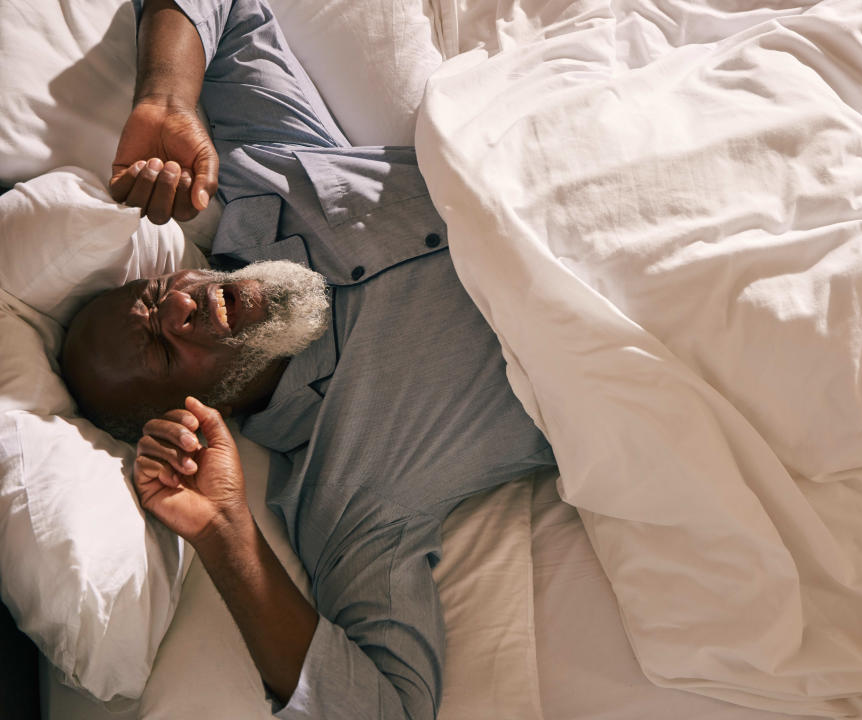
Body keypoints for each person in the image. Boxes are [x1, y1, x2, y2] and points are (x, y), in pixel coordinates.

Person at [60, 0, 555, 718]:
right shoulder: (351, 487)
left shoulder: (269, 179)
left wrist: (166, 97)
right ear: (204, 411)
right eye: (163, 348)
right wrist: (229, 539)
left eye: (159, 291)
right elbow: (387, 708)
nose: (183, 305)